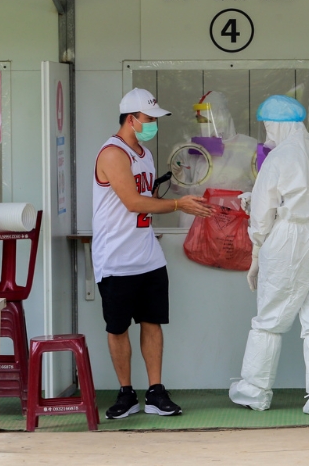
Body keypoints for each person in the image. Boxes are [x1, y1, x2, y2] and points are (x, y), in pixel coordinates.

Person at [93, 88, 213, 419]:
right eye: (149, 119)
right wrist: (177, 204)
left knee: (153, 322)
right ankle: (126, 393)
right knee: (117, 327)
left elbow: (144, 197)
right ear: (131, 119)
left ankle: (155, 392)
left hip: (148, 255)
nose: (153, 125)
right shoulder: (112, 153)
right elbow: (132, 202)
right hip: (115, 259)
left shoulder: (143, 153)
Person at [229, 95, 309, 415]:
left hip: (288, 241)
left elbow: (264, 216)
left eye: (268, 125)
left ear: (279, 124)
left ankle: (254, 390)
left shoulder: (280, 158)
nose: (267, 133)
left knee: (268, 320)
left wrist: (255, 253)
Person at [172, 91, 259, 228]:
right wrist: (177, 174)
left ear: (223, 116)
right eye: (200, 121)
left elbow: (264, 191)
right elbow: (182, 191)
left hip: (235, 227)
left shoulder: (250, 147)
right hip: (195, 226)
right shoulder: (192, 147)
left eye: (207, 120)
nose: (203, 126)